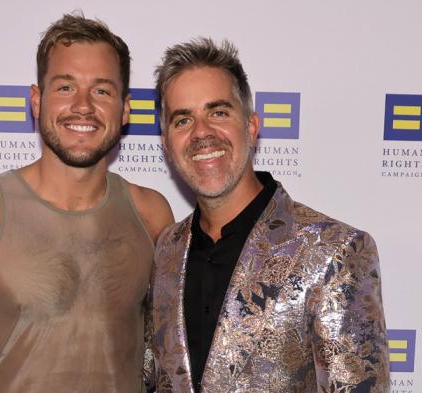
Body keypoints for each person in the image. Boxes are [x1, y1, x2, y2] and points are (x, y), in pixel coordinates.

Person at [0, 13, 174, 393]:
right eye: (65, 87)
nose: (83, 106)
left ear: (125, 109)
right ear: (36, 101)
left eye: (101, 90)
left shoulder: (152, 214)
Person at [150, 38, 389, 392]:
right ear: (167, 142)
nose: (201, 133)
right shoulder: (166, 251)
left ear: (250, 125)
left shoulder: (335, 252)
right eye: (183, 119)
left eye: (218, 112)